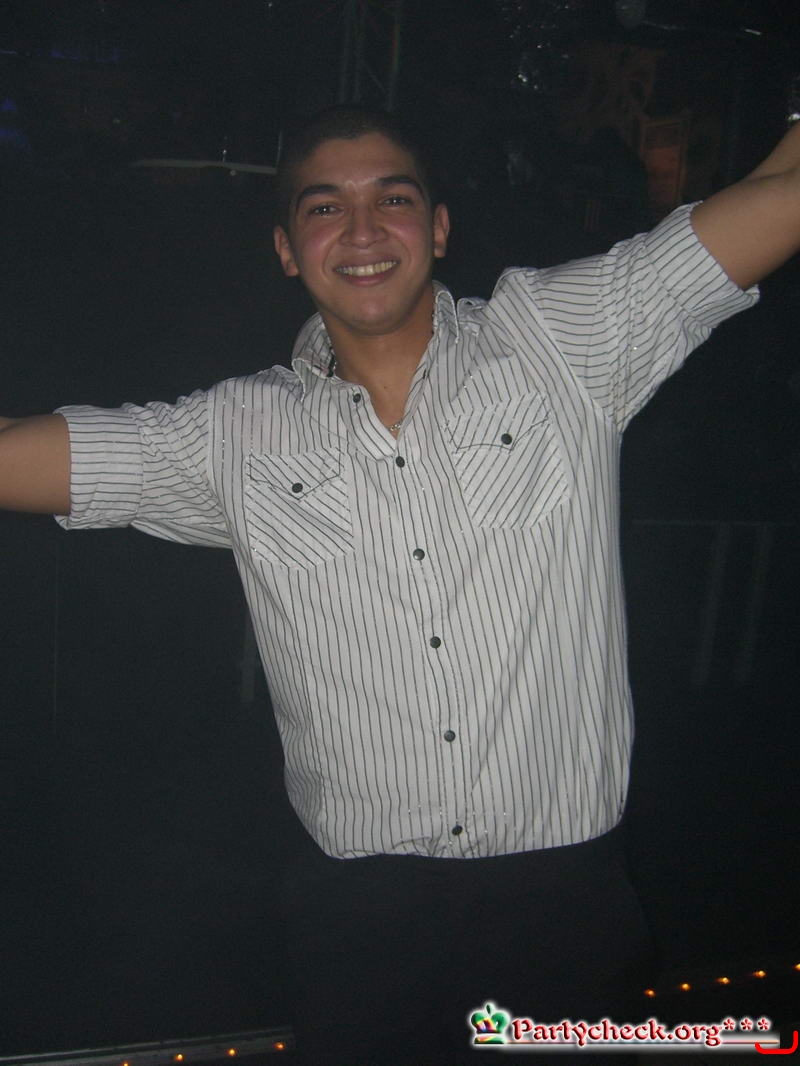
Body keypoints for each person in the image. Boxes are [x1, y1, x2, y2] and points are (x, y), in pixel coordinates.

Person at [2, 106, 799, 1065]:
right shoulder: (231, 435)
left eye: (393, 199)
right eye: (324, 207)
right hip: (361, 925)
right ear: (287, 249)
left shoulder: (559, 340)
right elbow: (21, 455)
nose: (363, 230)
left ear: (439, 227)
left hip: (566, 911)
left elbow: (767, 207)